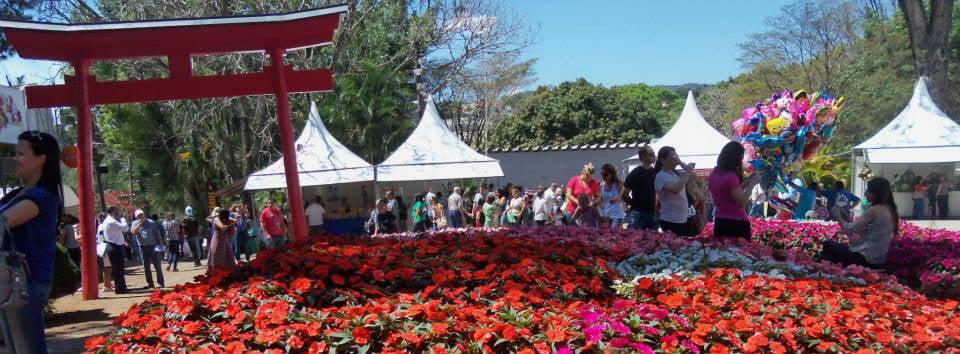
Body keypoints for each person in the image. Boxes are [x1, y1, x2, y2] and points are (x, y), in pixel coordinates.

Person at [0, 131, 63, 353]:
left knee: (28, 349)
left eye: (20, 153)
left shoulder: (41, 196)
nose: (15, 159)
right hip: (10, 282)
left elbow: (4, 222)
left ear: (41, 158)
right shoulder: (18, 193)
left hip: (25, 283)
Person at [822, 177, 898, 267]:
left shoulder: (875, 209)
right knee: (836, 251)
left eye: (868, 190)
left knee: (827, 245)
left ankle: (828, 274)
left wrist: (837, 215)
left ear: (877, 193)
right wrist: (844, 212)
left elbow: (849, 229)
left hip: (865, 258)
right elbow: (857, 227)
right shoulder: (889, 208)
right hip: (879, 259)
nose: (865, 194)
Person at [708, 141, 760, 239]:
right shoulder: (731, 176)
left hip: (720, 220)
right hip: (736, 223)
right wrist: (752, 184)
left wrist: (746, 183)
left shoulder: (714, 174)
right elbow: (741, 202)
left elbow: (728, 193)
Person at [654, 146, 696, 236]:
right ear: (663, 160)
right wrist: (687, 171)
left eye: (676, 156)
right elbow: (676, 189)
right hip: (670, 220)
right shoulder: (660, 176)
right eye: (673, 157)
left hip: (683, 218)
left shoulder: (675, 173)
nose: (675, 159)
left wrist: (681, 163)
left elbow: (694, 177)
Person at [623, 145, 658, 230]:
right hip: (638, 214)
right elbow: (624, 194)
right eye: (651, 154)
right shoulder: (635, 174)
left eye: (653, 154)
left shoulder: (654, 172)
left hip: (652, 213)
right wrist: (633, 204)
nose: (654, 156)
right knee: (636, 239)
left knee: (653, 241)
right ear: (643, 156)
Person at [131, 209, 165, 289]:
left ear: (144, 214)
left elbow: (157, 234)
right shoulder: (135, 223)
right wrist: (139, 224)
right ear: (136, 217)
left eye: (141, 215)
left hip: (153, 246)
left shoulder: (152, 223)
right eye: (138, 216)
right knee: (146, 267)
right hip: (143, 247)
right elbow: (133, 232)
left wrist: (161, 245)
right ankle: (150, 283)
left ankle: (161, 283)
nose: (141, 216)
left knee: (157, 266)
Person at [209, 208, 237, 272]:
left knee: (229, 258)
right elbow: (223, 227)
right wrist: (232, 223)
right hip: (218, 242)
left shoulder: (228, 220)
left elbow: (235, 220)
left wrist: (236, 220)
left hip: (226, 242)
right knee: (218, 259)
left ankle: (230, 273)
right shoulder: (216, 219)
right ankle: (218, 274)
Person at [599, 164, 626, 228]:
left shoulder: (618, 184)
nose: (604, 177)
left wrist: (618, 199)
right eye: (602, 174)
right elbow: (602, 199)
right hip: (607, 215)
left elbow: (625, 198)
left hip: (617, 215)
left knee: (614, 235)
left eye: (606, 175)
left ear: (612, 174)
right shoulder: (602, 185)